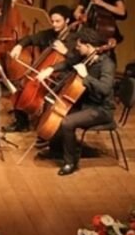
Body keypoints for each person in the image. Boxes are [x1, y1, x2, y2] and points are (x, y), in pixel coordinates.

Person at [34, 28, 115, 176]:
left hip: (101, 109)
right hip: (84, 102)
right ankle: (56, 149)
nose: (76, 49)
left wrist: (86, 77)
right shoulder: (86, 57)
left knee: (67, 122)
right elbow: (68, 63)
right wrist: (50, 69)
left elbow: (104, 89)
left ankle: (70, 162)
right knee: (55, 107)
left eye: (79, 46)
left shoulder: (107, 64)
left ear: (88, 46)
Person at [3, 5, 77, 133]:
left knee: (32, 92)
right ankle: (22, 123)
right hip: (45, 72)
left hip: (62, 75)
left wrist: (65, 51)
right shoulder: (50, 34)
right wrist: (19, 46)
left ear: (67, 21)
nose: (54, 25)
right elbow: (31, 38)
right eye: (52, 21)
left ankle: (47, 126)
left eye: (58, 21)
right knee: (19, 89)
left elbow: (76, 60)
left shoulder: (74, 39)